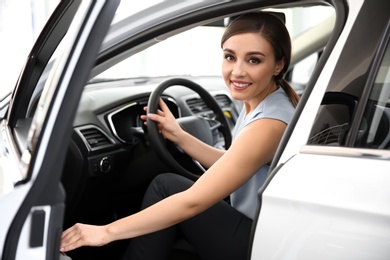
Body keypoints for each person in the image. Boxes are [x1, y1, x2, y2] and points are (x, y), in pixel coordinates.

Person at [60, 12, 299, 259]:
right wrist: (180, 136)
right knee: (169, 187)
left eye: (254, 61)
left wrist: (105, 232)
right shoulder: (266, 99)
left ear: (279, 64)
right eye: (230, 57)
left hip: (260, 243)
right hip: (264, 228)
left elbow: (192, 202)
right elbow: (235, 163)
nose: (237, 72)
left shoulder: (269, 122)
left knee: (166, 187)